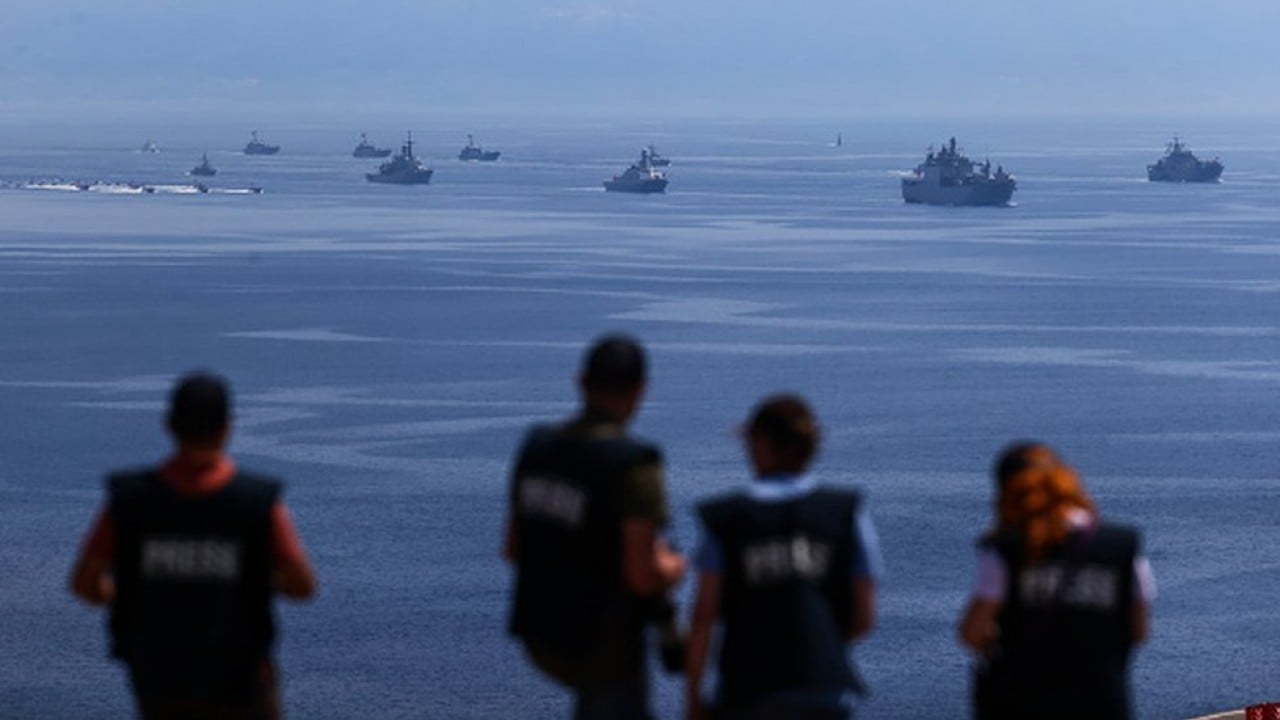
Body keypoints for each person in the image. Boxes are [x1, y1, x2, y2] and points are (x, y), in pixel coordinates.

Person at [69, 372, 316, 720]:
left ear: (170, 425)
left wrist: (133, 592)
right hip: (241, 678)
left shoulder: (131, 501)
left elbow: (84, 583)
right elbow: (301, 586)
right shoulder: (257, 503)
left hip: (161, 679)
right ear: (227, 428)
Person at [503, 334, 685, 720]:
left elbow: (513, 549)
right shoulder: (634, 464)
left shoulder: (536, 448)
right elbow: (640, 575)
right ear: (640, 390)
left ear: (581, 382)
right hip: (601, 643)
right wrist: (673, 569)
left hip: (540, 633)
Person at [685, 394, 881, 720]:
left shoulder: (726, 519)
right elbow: (863, 618)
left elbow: (703, 615)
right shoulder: (847, 513)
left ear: (761, 444)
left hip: (748, 690)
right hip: (823, 689)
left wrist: (693, 695)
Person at [957, 442, 1155, 720]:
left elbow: (972, 634)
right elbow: (1139, 630)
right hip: (1101, 700)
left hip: (1020, 702)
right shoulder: (1122, 546)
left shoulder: (1006, 551)